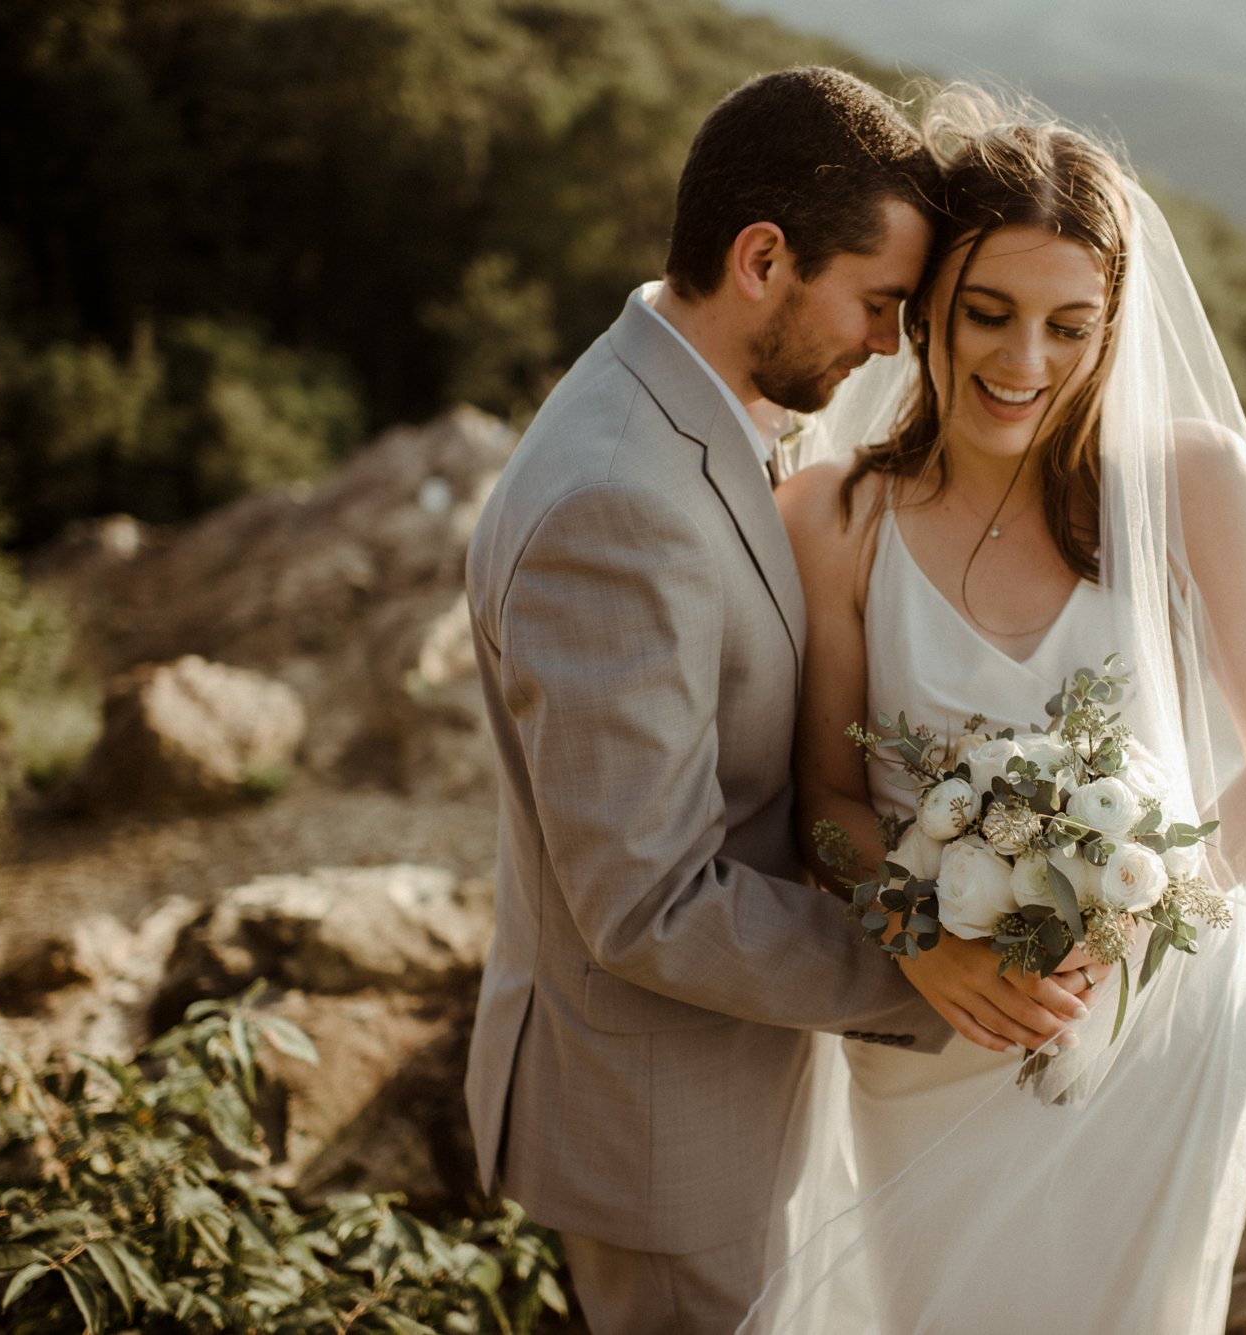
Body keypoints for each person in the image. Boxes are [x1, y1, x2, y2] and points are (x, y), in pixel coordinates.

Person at [460, 68, 1099, 1335]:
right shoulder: (616, 504)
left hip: (734, 1073)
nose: (884, 345)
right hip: (659, 1128)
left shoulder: (700, 403)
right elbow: (642, 902)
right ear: (762, 258)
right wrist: (930, 959)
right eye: (874, 304)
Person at [748, 90, 1246, 1331]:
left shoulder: (1190, 484)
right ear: (927, 309)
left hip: (1154, 1020)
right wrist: (920, 939)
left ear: (1114, 326)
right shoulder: (835, 518)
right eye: (988, 314)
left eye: (1070, 326)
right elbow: (829, 803)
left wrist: (1141, 931)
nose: (1024, 364)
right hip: (937, 1015)